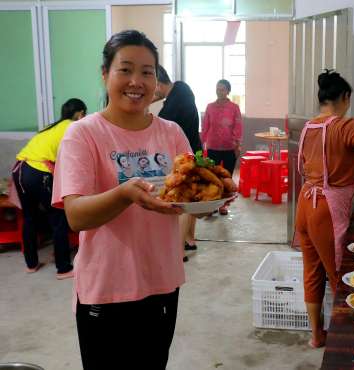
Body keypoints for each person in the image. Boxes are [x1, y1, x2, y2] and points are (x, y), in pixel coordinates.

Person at [52, 30, 190, 369]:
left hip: (162, 281)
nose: (137, 81)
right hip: (107, 289)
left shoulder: (171, 133)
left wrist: (208, 201)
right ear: (105, 74)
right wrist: (126, 195)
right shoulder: (83, 134)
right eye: (125, 69)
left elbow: (188, 193)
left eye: (147, 72)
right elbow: (76, 216)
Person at [295, 70, 354, 348]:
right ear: (345, 98)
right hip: (326, 210)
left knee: (312, 272)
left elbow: (318, 164)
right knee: (339, 275)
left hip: (305, 203)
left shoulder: (309, 127)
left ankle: (317, 336)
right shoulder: (343, 125)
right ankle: (345, 342)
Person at [12, 98, 87, 279]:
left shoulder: (52, 127)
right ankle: (63, 268)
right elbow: (74, 160)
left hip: (20, 170)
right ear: (80, 114)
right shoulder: (72, 126)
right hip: (40, 173)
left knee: (29, 217)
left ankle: (31, 264)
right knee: (58, 217)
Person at [154, 65, 201, 255]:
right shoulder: (182, 89)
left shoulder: (171, 107)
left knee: (183, 202)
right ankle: (190, 238)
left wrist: (150, 99)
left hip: (183, 158)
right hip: (194, 150)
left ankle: (179, 249)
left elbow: (157, 122)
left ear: (157, 83)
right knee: (191, 197)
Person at [201, 79, 242, 215]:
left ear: (228, 91)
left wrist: (237, 144)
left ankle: (224, 205)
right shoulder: (210, 107)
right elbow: (205, 126)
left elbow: (238, 127)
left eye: (222, 89)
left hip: (229, 147)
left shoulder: (234, 107)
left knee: (227, 178)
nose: (219, 91)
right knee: (212, 177)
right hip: (213, 147)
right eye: (218, 89)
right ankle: (212, 204)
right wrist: (203, 143)